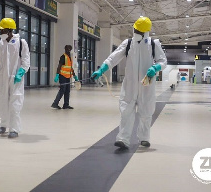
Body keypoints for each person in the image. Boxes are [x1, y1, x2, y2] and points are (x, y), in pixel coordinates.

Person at [91, 17, 167, 149]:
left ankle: (144, 138)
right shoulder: (128, 43)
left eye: (137, 29)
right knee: (126, 111)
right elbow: (114, 57)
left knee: (146, 112)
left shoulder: (153, 44)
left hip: (146, 85)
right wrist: (102, 69)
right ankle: (123, 139)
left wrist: (155, 68)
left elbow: (163, 61)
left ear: (143, 31)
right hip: (130, 85)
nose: (135, 30)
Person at [51, 45, 78, 109]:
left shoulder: (69, 57)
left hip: (68, 77)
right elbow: (59, 66)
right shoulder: (63, 57)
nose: (68, 50)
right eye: (67, 49)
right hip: (62, 76)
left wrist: (75, 76)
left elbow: (70, 68)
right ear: (65, 49)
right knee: (62, 90)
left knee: (67, 90)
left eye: (69, 49)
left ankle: (66, 104)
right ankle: (55, 103)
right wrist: (57, 75)